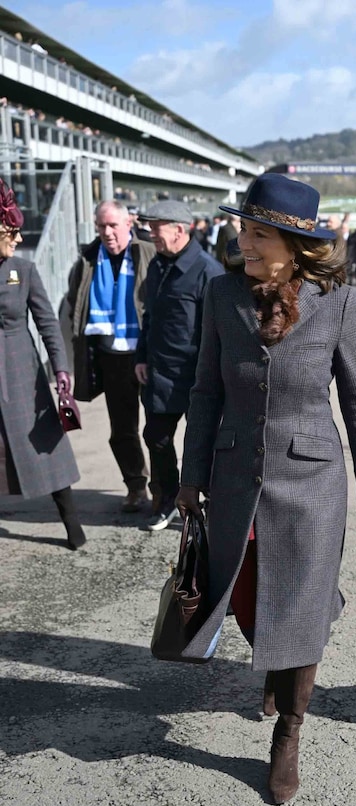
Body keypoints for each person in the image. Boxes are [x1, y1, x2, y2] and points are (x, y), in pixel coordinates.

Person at [174, 173, 356, 804]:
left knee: (297, 604)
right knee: (244, 598)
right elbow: (206, 391)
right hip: (236, 475)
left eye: (257, 233)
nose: (243, 240)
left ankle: (289, 732)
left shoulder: (337, 301)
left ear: (293, 245)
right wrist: (190, 479)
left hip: (313, 477)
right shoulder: (221, 295)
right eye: (242, 229)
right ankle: (276, 650)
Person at [0, 180, 85, 550]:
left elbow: (48, 323)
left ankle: (72, 523)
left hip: (21, 371)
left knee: (45, 446)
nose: (18, 239)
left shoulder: (24, 269)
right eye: (12, 232)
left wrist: (61, 369)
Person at [135, 201, 224, 530]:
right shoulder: (158, 265)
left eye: (156, 227)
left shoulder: (207, 271)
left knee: (205, 444)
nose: (151, 233)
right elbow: (149, 316)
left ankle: (214, 508)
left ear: (179, 229)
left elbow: (218, 332)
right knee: (156, 437)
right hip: (160, 374)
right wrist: (141, 356)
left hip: (197, 377)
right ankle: (169, 499)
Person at [67, 200, 155, 512]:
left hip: (148, 352)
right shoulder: (89, 260)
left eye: (112, 225)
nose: (107, 232)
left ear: (128, 224)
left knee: (159, 426)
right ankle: (135, 486)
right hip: (112, 357)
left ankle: (164, 490)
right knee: (122, 428)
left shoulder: (147, 253)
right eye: (101, 226)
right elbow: (73, 304)